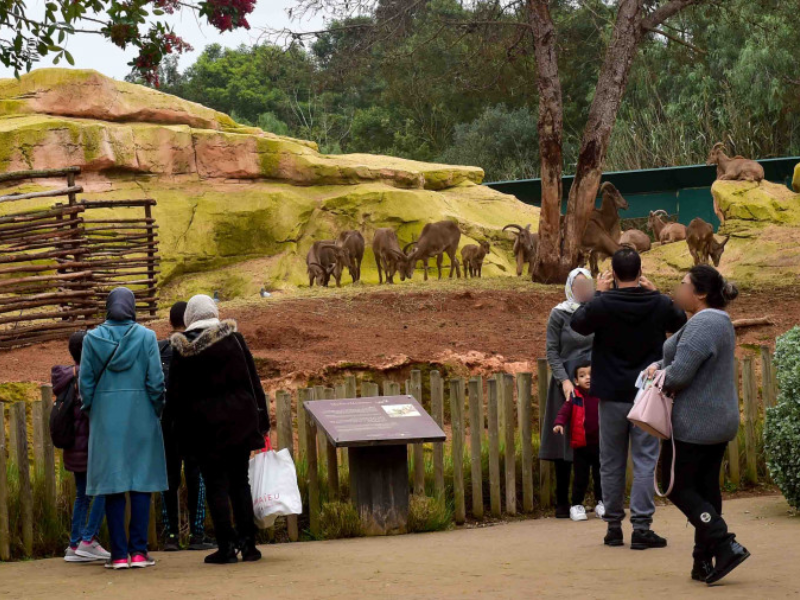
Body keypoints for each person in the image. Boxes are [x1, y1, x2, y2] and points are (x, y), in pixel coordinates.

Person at [571, 248, 686, 550]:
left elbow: (577, 324)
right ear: (640, 271)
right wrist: (657, 291)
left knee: (610, 460)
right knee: (645, 459)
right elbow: (680, 322)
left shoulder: (603, 303)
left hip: (609, 395)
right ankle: (641, 527)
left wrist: (598, 293)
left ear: (612, 273)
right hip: (647, 393)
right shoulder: (658, 303)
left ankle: (612, 527)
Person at [646, 265, 748, 584]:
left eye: (683, 284)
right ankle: (702, 561)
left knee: (676, 486)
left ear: (700, 293)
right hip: (718, 419)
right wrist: (661, 365)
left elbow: (680, 374)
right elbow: (684, 357)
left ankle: (723, 541)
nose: (678, 289)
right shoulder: (714, 320)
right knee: (705, 488)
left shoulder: (704, 322)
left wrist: (657, 376)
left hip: (696, 422)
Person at [166, 294, 270, 564]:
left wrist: (177, 430)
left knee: (215, 485)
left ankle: (226, 547)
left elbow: (176, 395)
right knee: (240, 482)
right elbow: (252, 380)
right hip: (239, 420)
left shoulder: (182, 348)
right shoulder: (234, 339)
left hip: (204, 427)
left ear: (190, 317)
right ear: (213, 311)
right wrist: (262, 420)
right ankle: (249, 546)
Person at [80, 287, 166, 570]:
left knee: (112, 484)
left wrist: (95, 411)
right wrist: (156, 408)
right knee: (141, 482)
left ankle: (118, 555)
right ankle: (139, 553)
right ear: (132, 307)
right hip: (141, 416)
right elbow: (155, 380)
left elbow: (86, 384)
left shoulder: (91, 339)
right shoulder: (147, 337)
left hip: (105, 419)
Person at [159, 301, 215, 552]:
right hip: (193, 421)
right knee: (195, 476)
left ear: (170, 322)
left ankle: (170, 536)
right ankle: (197, 534)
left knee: (169, 477)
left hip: (166, 421)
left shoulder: (161, 348)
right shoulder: (197, 346)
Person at [540, 268, 595, 519]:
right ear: (570, 288)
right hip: (567, 384)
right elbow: (552, 350)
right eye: (578, 286)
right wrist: (564, 381)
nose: (583, 290)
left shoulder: (597, 311)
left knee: (594, 439)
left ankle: (594, 500)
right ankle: (562, 502)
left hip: (592, 383)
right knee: (564, 440)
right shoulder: (559, 314)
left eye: (587, 286)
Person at [53, 331, 110, 563]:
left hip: (72, 449)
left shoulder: (66, 377)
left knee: (82, 496)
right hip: (89, 447)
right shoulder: (86, 378)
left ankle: (74, 544)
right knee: (106, 490)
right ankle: (89, 540)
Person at [553, 360, 602, 522]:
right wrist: (559, 423)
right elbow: (564, 412)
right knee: (580, 477)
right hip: (581, 446)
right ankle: (576, 505)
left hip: (600, 445)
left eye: (591, 375)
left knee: (601, 476)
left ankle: (602, 503)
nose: (587, 378)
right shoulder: (575, 397)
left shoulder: (601, 395)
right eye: (582, 376)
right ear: (576, 381)